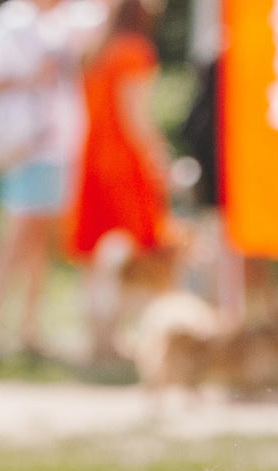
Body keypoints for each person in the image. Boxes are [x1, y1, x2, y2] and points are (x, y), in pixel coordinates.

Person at [0, 0, 97, 361]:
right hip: (26, 147)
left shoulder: (61, 24)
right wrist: (28, 78)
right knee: (15, 236)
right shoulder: (6, 25)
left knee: (40, 241)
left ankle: (28, 329)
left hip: (56, 147)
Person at [67, 0, 171, 366]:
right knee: (127, 260)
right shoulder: (134, 52)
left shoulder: (95, 51)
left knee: (97, 260)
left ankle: (97, 340)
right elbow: (136, 118)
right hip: (124, 168)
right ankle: (112, 339)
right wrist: (160, 157)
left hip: (91, 160)